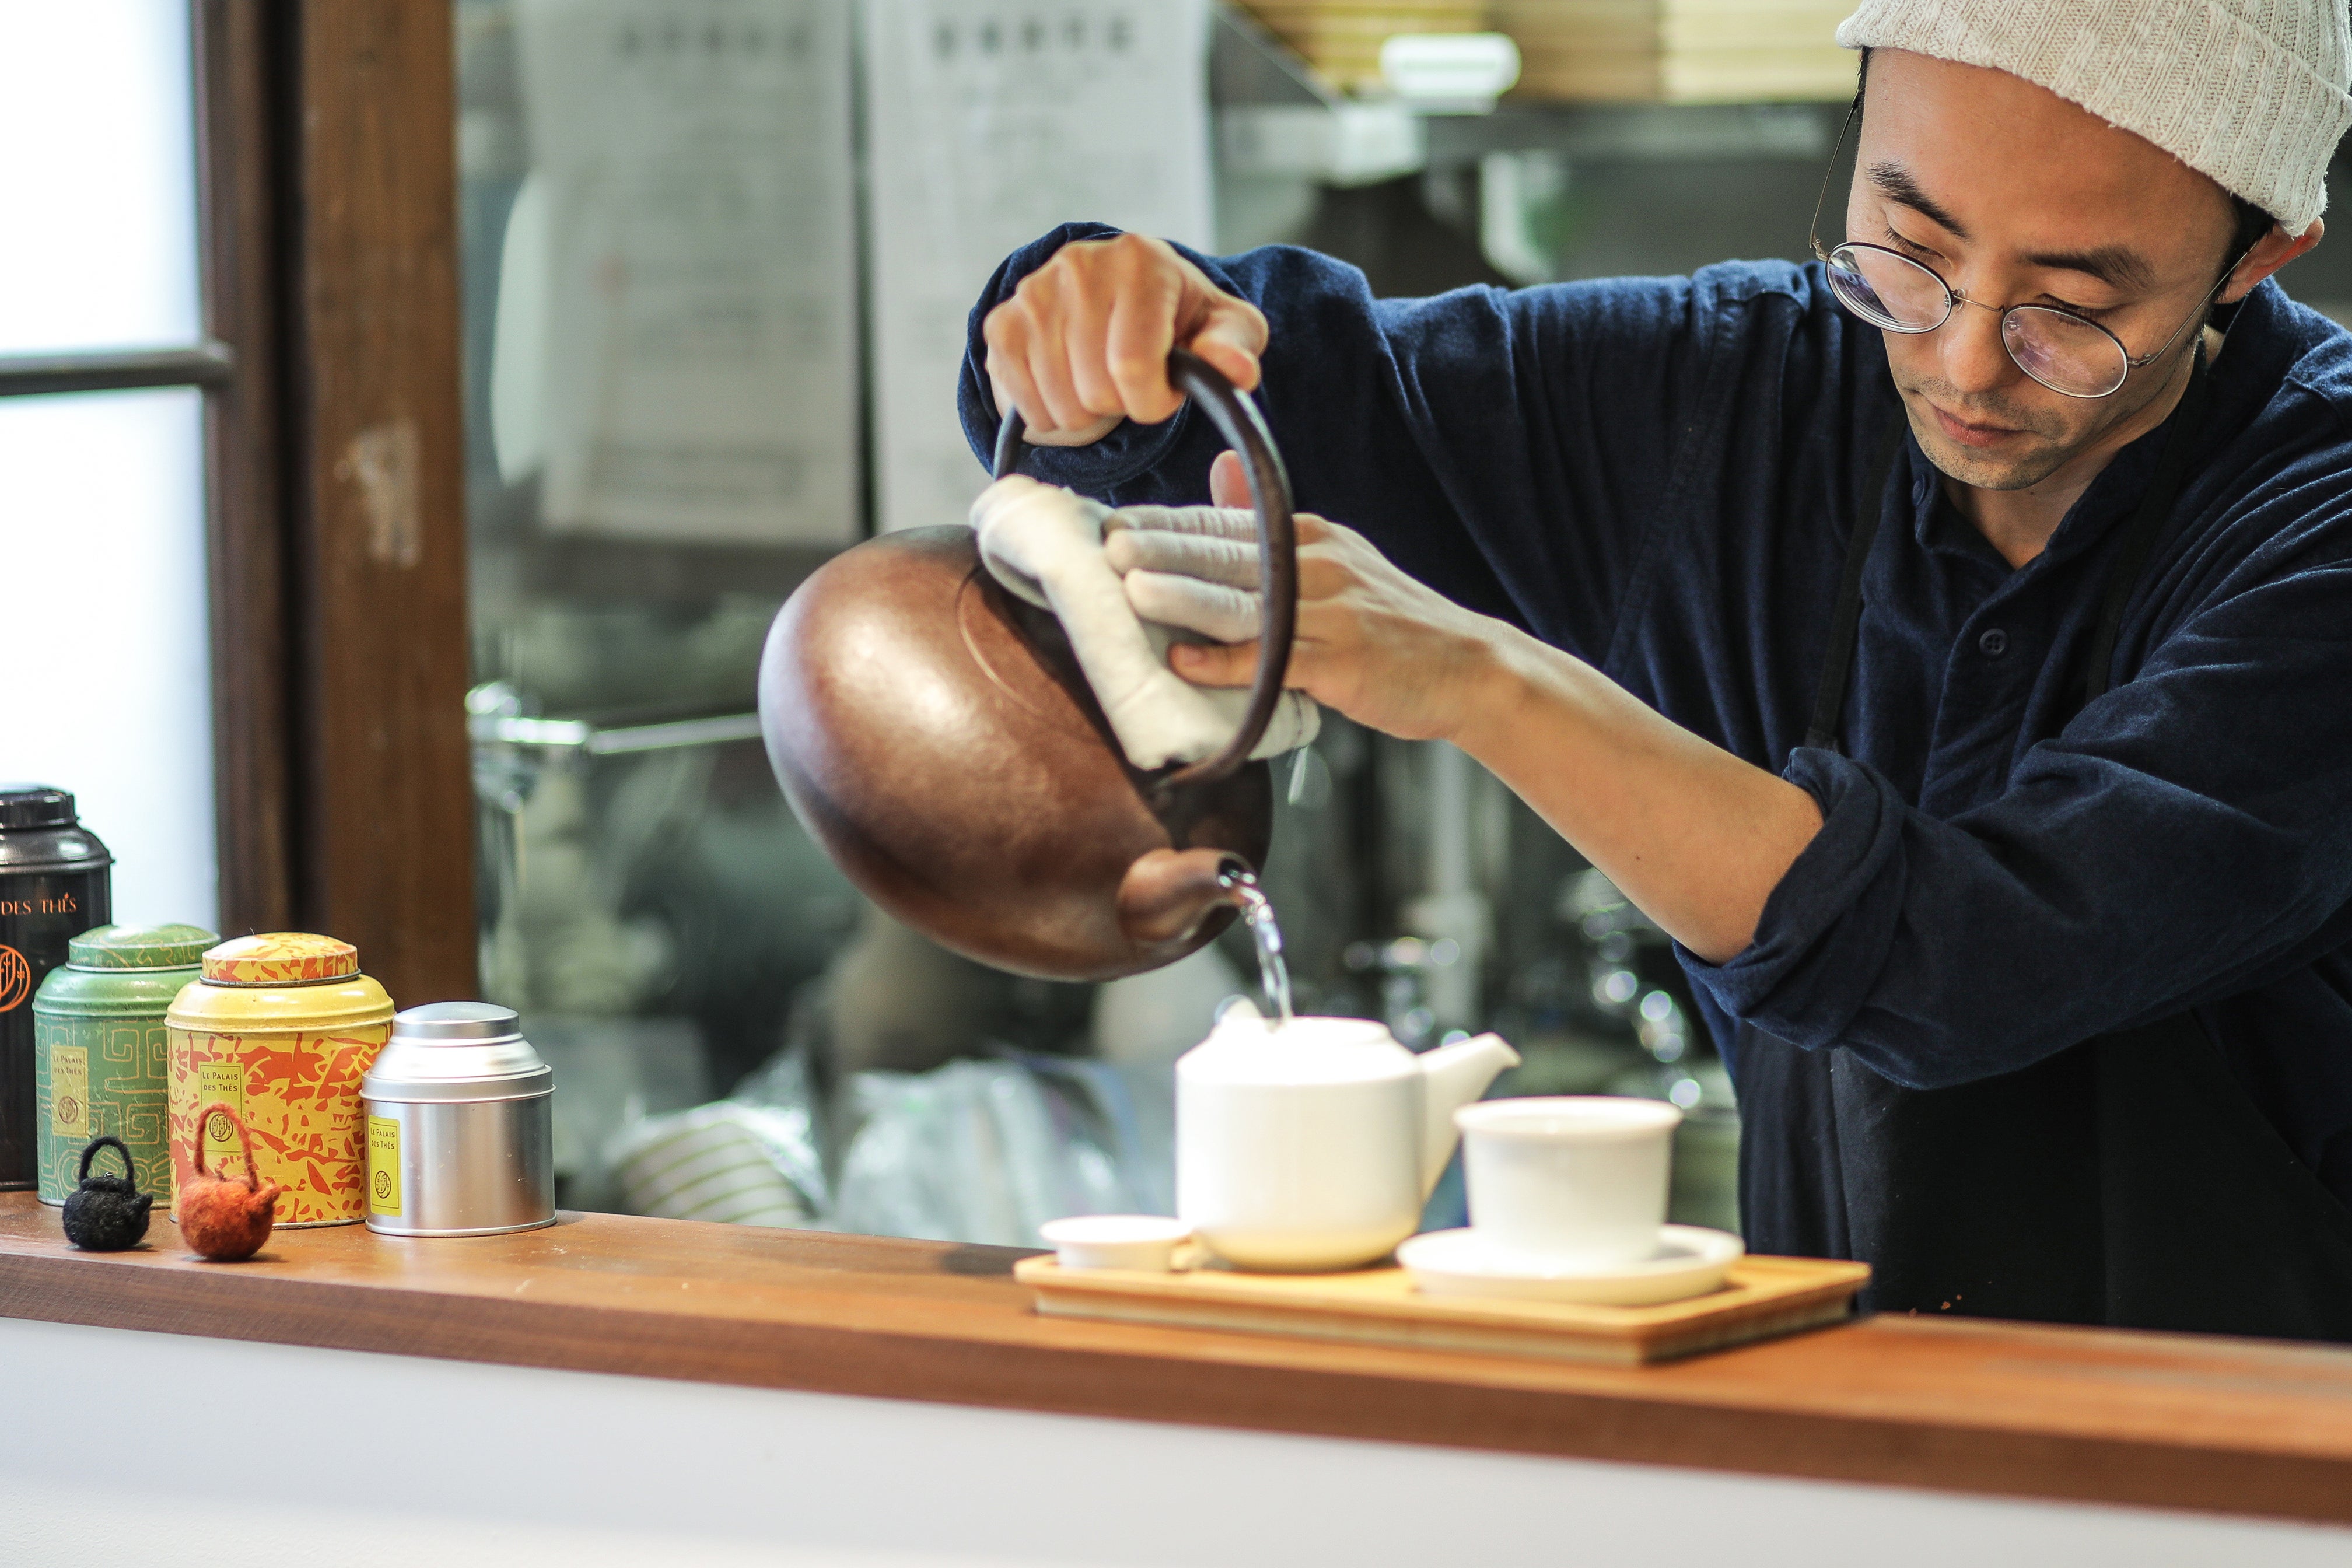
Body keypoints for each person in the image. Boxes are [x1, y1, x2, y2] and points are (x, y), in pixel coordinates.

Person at [958, 1, 2352, 1339]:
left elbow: (1965, 958)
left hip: (2266, 1447)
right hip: (1851, 1423)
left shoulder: (2319, 527)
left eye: (2070, 307)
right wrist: (1099, 328)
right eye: (1910, 246)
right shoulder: (1738, 396)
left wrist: (1481, 682)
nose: (1965, 359)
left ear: (2260, 255)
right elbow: (1314, 402)